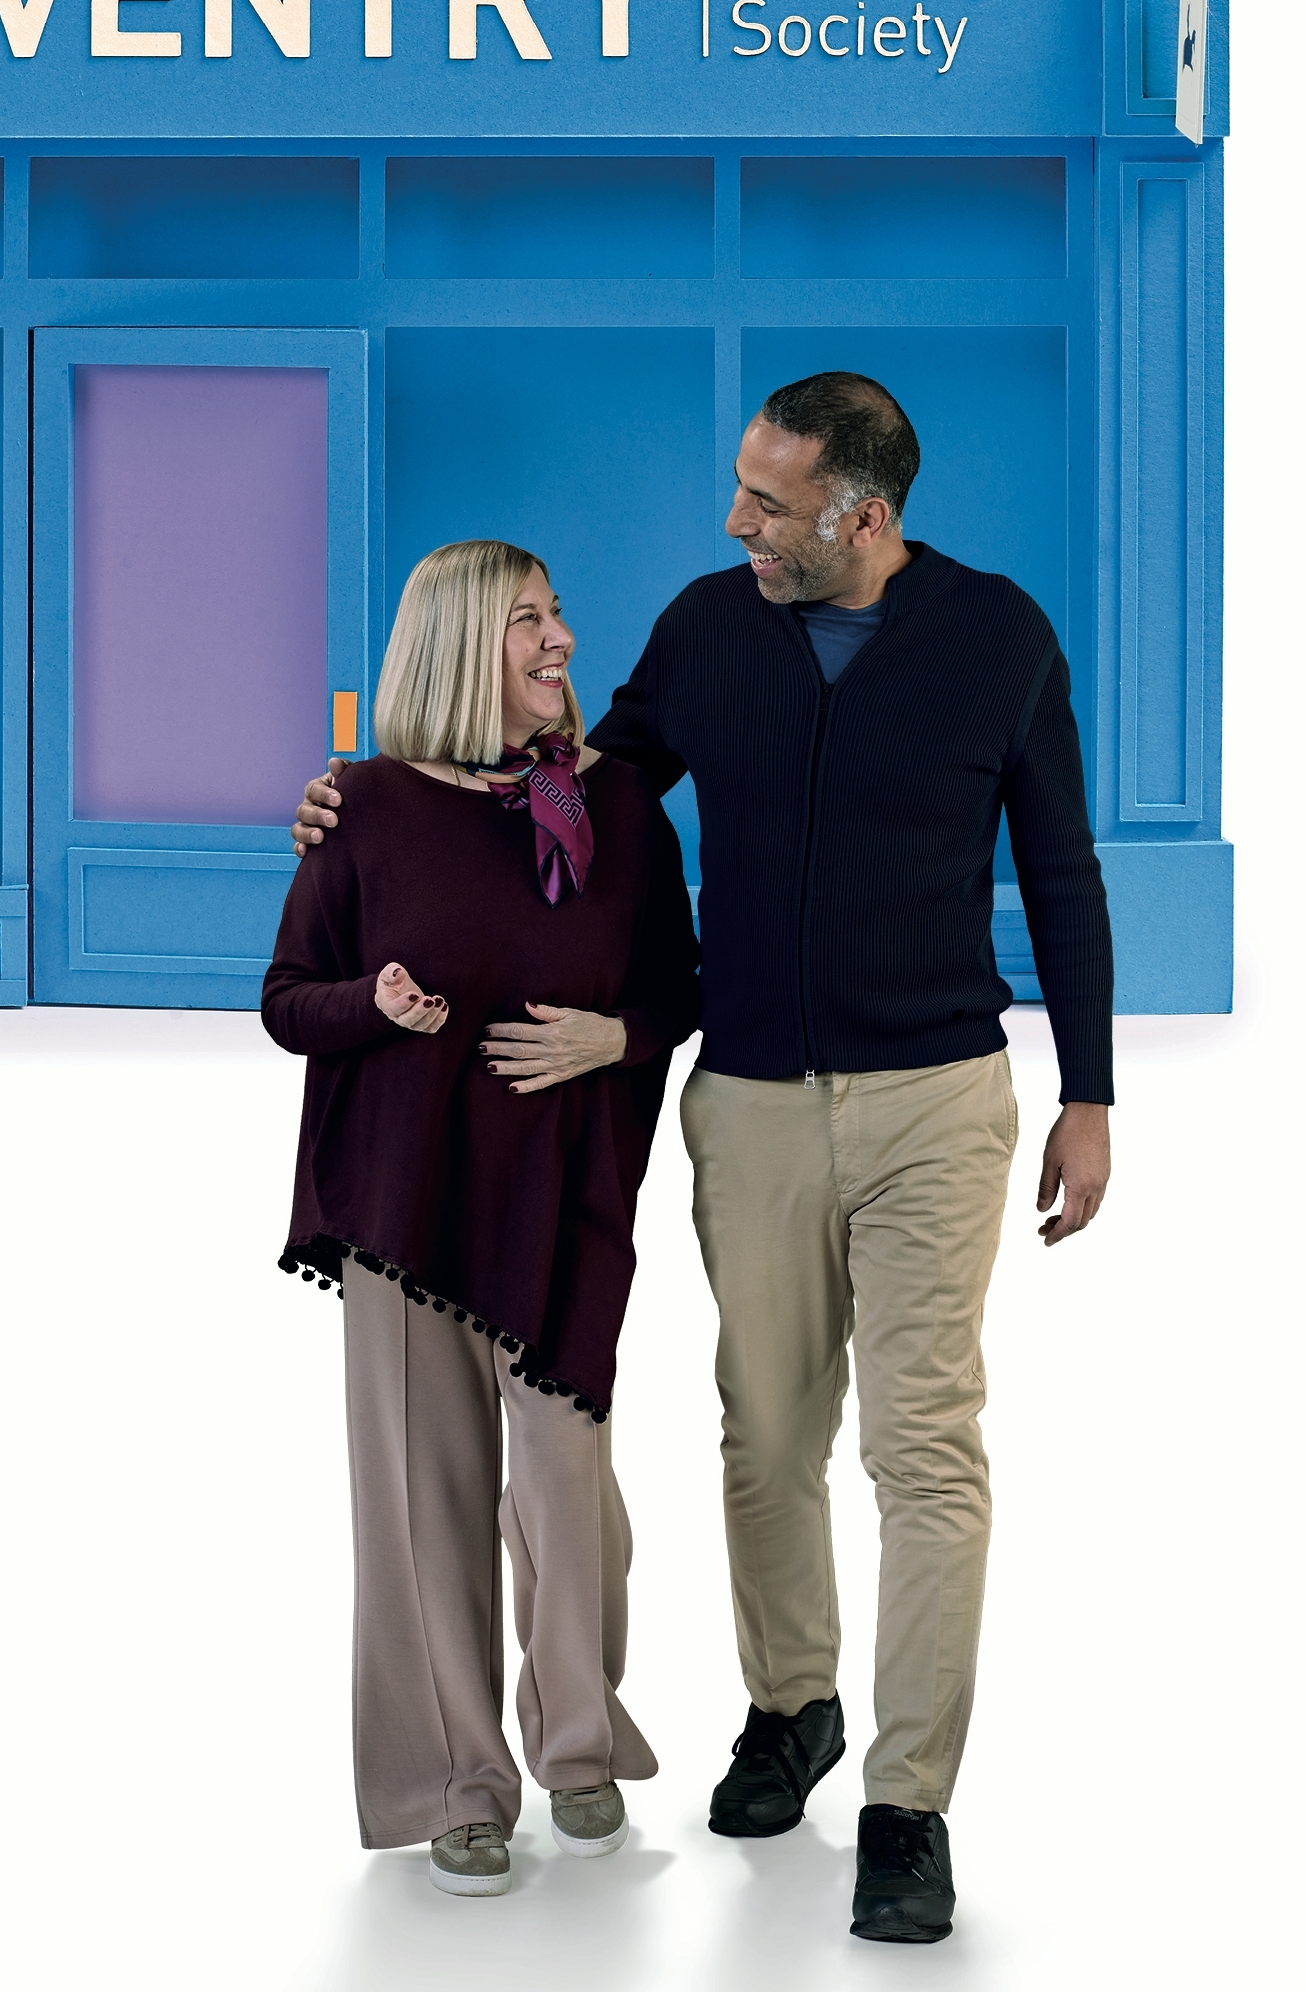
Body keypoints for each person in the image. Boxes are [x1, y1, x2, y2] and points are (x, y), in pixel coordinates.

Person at [291, 372, 1114, 1945]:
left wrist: (1089, 1092)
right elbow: (568, 798)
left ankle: (906, 1802)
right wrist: (372, 805)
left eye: (767, 501)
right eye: (739, 486)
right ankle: (790, 1706)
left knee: (922, 1447)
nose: (734, 519)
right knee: (766, 1434)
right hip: (747, 1099)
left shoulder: (996, 637)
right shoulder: (707, 627)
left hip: (936, 1094)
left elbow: (1060, 868)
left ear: (859, 517)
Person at [261, 540, 699, 1902]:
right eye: (525, 621)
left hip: (564, 1193)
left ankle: (578, 1743)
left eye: (557, 612)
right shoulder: (362, 808)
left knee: (569, 1487)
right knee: (422, 1500)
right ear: (459, 646)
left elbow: (678, 985)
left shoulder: (615, 805)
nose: (558, 638)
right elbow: (287, 999)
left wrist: (611, 1038)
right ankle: (458, 1783)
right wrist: (374, 1007)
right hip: (406, 1203)